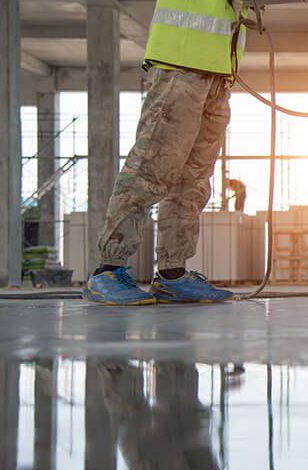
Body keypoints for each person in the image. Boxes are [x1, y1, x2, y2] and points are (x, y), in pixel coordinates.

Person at [83, 0, 249, 305]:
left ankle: (173, 274)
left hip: (219, 72)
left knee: (194, 178)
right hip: (180, 61)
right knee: (152, 166)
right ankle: (108, 270)